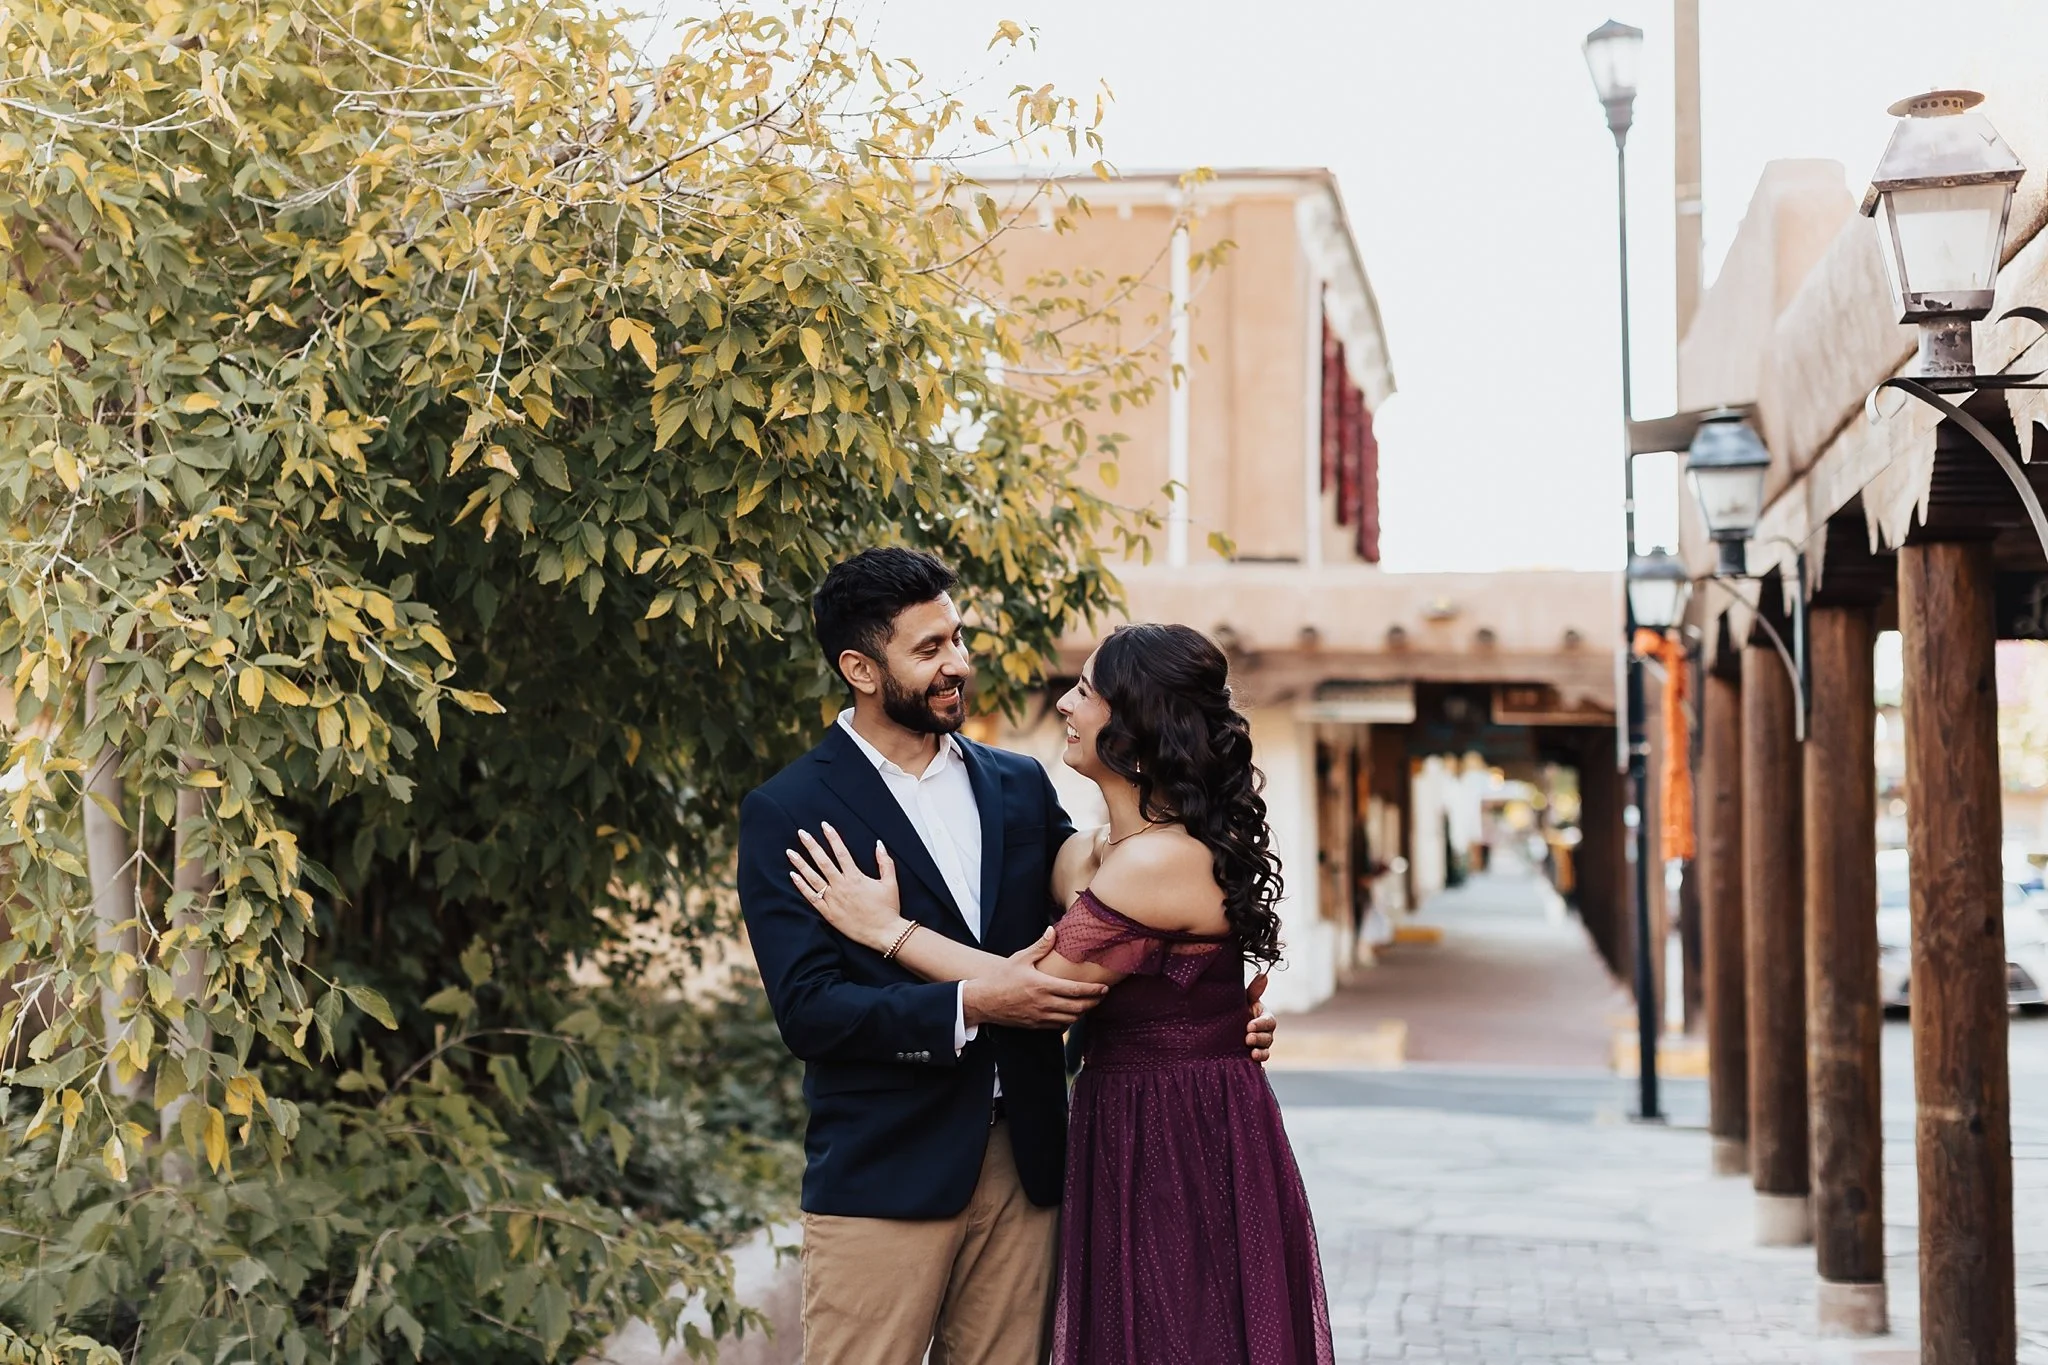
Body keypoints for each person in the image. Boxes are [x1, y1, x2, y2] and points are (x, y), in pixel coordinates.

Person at [737, 550, 1278, 1365]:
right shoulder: (790, 810)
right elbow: (811, 1010)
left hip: (1033, 1165)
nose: (959, 661)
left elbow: (1114, 922)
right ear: (860, 668)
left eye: (957, 636)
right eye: (929, 649)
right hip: (889, 1169)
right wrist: (969, 1007)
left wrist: (1202, 1009)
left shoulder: (1019, 784)